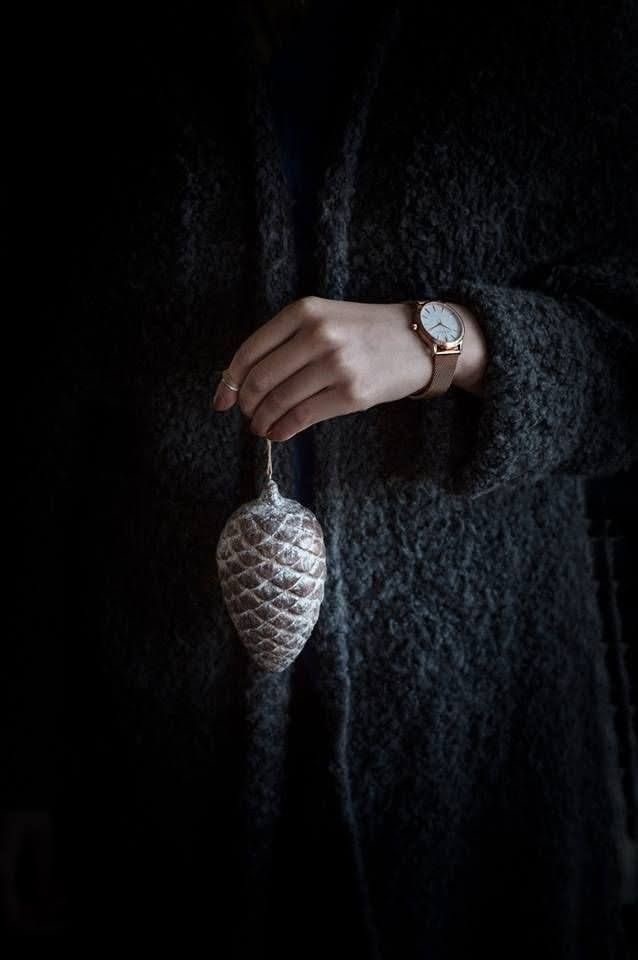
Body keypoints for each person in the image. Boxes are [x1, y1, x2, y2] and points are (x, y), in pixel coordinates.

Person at [2, 0, 637, 953]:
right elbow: (34, 418)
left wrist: (450, 342)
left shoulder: (559, 32)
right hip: (149, 752)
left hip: (478, 749)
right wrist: (24, 760)